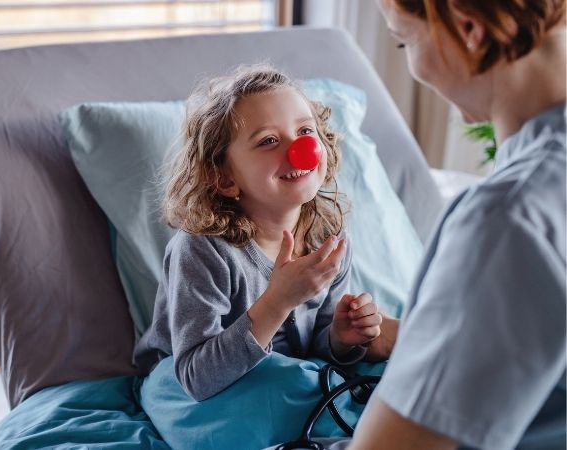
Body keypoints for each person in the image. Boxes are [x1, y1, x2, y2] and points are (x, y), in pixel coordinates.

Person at [339, 1, 566, 449]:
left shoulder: (506, 221)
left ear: (466, 27)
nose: (411, 61)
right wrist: (419, 340)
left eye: (405, 40)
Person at [133, 64, 395, 401]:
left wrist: (341, 338)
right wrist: (278, 300)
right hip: (182, 386)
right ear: (224, 179)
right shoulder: (202, 251)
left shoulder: (327, 237)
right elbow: (196, 377)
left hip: (277, 376)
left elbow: (316, 346)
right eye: (268, 141)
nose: (299, 150)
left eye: (305, 132)